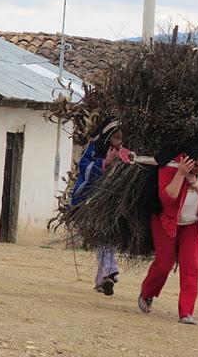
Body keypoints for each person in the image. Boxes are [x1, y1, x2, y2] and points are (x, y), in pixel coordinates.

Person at [138, 141, 198, 324]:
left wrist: (196, 185)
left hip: (193, 223)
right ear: (188, 160)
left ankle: (186, 312)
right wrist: (181, 174)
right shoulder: (171, 164)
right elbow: (168, 197)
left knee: (191, 266)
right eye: (196, 165)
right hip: (166, 220)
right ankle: (147, 293)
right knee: (164, 263)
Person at [71, 119, 130, 296]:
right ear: (108, 137)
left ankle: (103, 278)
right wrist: (105, 163)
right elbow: (84, 168)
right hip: (95, 199)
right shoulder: (95, 149)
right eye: (115, 138)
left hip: (116, 202)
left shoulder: (126, 152)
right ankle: (110, 272)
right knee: (104, 237)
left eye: (121, 138)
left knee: (108, 239)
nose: (118, 142)